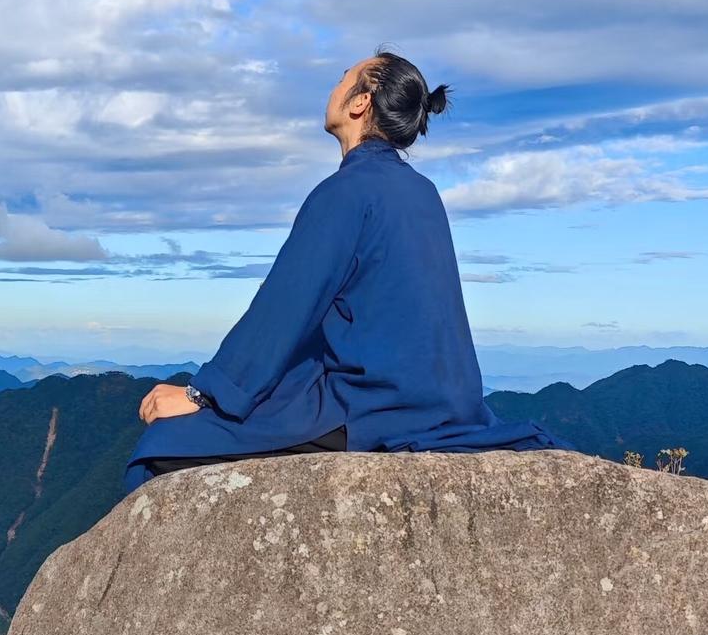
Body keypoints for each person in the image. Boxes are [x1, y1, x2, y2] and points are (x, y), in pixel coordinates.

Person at [122, 44, 579, 495]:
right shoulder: (423, 193)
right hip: (446, 403)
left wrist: (203, 394)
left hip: (374, 404)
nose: (335, 84)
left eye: (344, 76)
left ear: (362, 100)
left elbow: (283, 310)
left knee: (161, 445)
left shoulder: (345, 191)